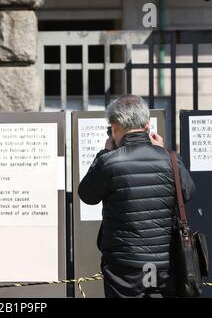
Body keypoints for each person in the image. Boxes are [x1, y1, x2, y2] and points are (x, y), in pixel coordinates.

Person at [78, 94, 196, 298]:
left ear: (115, 126)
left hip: (124, 267)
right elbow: (188, 192)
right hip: (165, 264)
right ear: (147, 125)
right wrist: (163, 151)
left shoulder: (109, 162)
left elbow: (87, 195)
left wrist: (103, 154)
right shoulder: (170, 160)